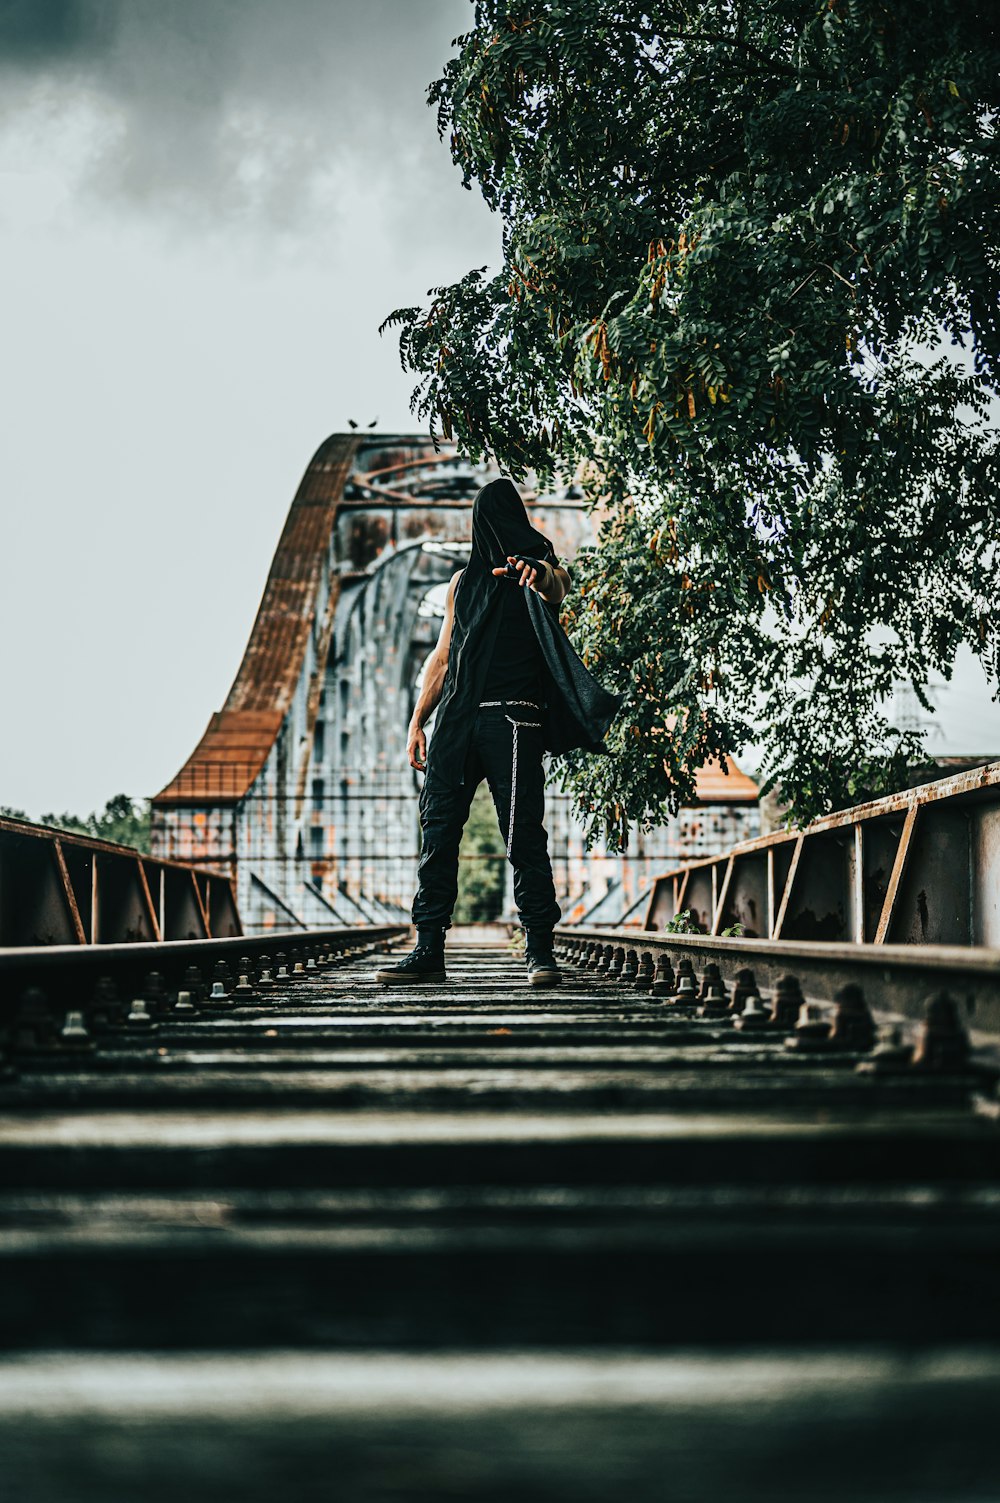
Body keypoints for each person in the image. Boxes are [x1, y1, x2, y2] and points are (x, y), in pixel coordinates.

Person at [375, 477, 620, 987]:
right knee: (437, 832)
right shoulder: (463, 583)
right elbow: (443, 657)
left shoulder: (542, 572)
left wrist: (535, 573)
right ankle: (428, 950)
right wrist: (417, 722)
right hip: (457, 720)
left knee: (523, 835)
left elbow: (557, 586)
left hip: (514, 718)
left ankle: (539, 951)